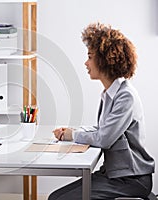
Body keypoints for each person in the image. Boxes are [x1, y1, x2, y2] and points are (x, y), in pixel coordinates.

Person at [48, 23, 155, 199]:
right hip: (114, 174)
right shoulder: (110, 93)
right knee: (55, 196)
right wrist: (72, 131)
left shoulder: (125, 96)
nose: (86, 62)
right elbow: (102, 130)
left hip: (131, 179)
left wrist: (72, 136)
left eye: (90, 57)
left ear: (105, 60)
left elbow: (104, 138)